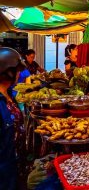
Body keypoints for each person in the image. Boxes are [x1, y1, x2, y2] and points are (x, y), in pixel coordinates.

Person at [0, 47, 26, 189]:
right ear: (8, 72)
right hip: (4, 171)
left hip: (15, 164)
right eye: (17, 70)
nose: (19, 73)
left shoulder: (9, 95)